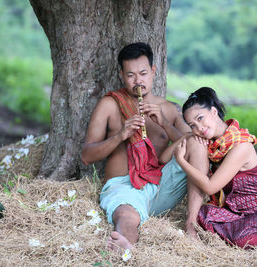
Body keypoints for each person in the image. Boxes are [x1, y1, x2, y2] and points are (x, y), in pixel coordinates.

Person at [81, 42, 203, 251]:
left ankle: (191, 224)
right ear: (121, 74)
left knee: (197, 146)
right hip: (124, 187)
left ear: (153, 71)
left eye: (143, 73)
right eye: (130, 75)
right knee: (127, 215)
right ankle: (125, 248)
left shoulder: (169, 109)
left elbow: (192, 140)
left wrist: (164, 122)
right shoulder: (110, 105)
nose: (138, 81)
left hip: (160, 187)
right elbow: (86, 155)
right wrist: (120, 136)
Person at [172, 87, 257, 248]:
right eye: (192, 125)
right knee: (203, 215)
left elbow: (210, 187)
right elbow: (164, 157)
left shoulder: (241, 145)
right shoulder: (213, 145)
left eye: (200, 118)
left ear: (214, 112)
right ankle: (241, 231)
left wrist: (182, 161)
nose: (198, 128)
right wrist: (169, 127)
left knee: (242, 239)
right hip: (238, 212)